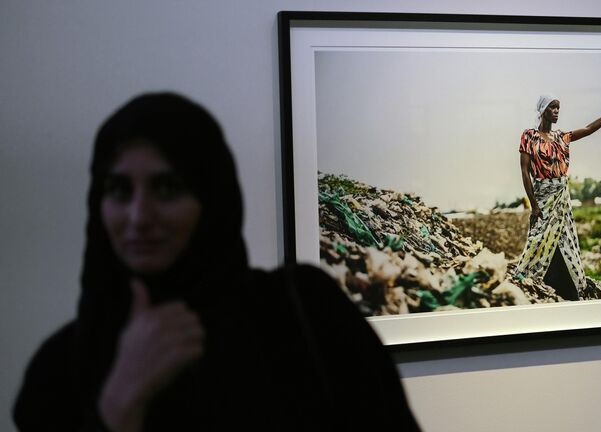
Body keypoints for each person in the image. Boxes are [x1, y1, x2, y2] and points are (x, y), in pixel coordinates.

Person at [13, 93, 421, 431]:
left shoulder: (305, 316)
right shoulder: (58, 372)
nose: (138, 216)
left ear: (212, 200)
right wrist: (120, 405)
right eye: (119, 190)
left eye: (167, 188)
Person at [516, 94, 601, 301]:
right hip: (542, 195)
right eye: (552, 107)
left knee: (564, 238)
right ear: (543, 110)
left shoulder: (561, 137)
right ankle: (534, 278)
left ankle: (568, 285)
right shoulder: (529, 136)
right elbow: (524, 172)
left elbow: (589, 129)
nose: (557, 111)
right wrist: (534, 205)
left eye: (558, 108)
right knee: (539, 238)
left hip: (561, 197)